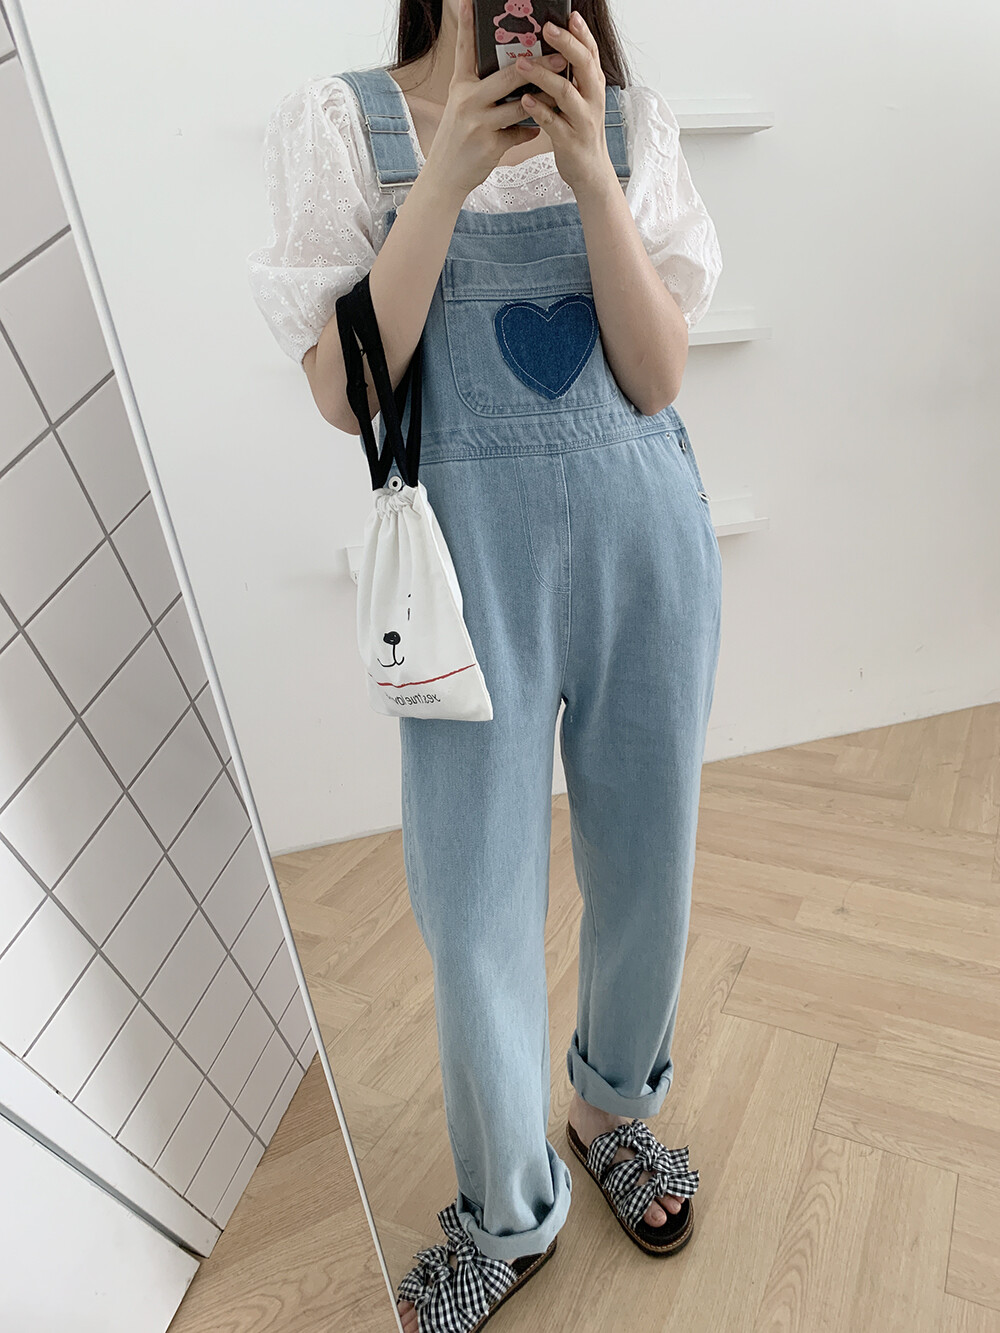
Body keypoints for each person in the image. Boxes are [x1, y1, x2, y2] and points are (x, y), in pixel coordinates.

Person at [247, 1, 723, 1328]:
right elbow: (348, 394)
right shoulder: (347, 126)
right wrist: (444, 178)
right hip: (467, 586)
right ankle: (508, 1211)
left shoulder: (627, 124)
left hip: (646, 553)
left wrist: (590, 174)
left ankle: (613, 1109)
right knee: (473, 906)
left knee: (649, 864)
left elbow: (658, 375)